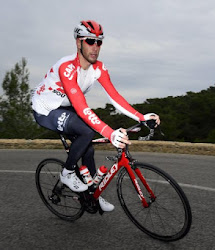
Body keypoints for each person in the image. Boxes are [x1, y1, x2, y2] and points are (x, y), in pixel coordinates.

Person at [31, 20, 160, 212]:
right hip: (46, 108)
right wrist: (110, 133)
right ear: (78, 43)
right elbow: (82, 108)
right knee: (86, 131)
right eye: (90, 41)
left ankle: (92, 195)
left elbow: (114, 96)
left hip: (67, 107)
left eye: (99, 42)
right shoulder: (66, 67)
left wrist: (141, 117)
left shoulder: (99, 68)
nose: (95, 47)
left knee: (88, 148)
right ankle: (67, 173)